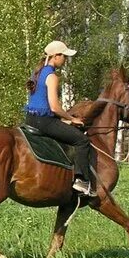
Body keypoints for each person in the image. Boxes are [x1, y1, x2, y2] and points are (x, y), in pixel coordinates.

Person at [25, 41, 94, 195]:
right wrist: (72, 118)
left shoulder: (36, 73)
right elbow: (55, 107)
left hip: (30, 119)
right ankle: (81, 181)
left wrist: (65, 120)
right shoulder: (51, 76)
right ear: (56, 56)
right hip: (44, 122)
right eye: (64, 56)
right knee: (82, 141)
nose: (65, 59)